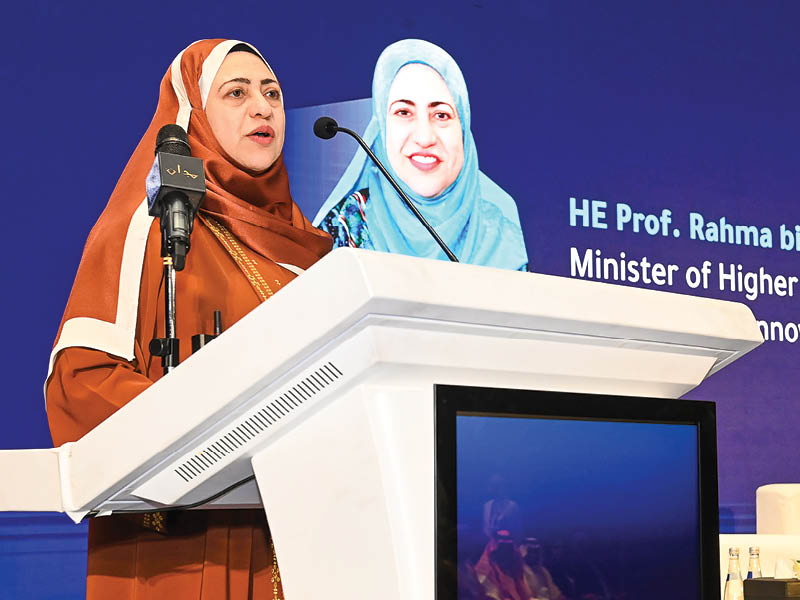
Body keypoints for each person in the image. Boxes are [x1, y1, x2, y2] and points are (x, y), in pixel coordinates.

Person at [45, 39, 332, 600]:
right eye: (237, 93)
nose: (263, 108)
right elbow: (81, 379)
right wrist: (214, 428)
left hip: (303, 535)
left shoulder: (306, 247)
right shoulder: (148, 229)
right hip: (182, 550)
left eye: (273, 94)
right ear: (193, 114)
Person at [313, 39, 529, 271]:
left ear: (463, 130)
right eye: (404, 112)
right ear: (382, 128)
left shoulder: (503, 240)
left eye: (441, 115)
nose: (425, 138)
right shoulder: (344, 226)